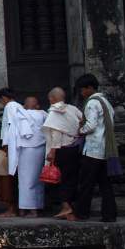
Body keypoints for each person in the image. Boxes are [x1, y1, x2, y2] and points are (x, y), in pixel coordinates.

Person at [70, 74, 118, 223]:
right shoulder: (106, 102)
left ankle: (81, 213)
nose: (81, 93)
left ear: (90, 88)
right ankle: (109, 215)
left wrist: (80, 130)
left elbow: (91, 125)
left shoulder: (92, 103)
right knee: (105, 185)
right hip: (106, 149)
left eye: (82, 90)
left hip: (93, 150)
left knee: (86, 183)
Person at [42, 87, 83, 220]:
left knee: (60, 179)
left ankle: (66, 206)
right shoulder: (72, 108)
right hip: (74, 148)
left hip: (61, 150)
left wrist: (52, 152)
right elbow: (82, 121)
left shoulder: (54, 113)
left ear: (52, 98)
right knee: (72, 178)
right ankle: (70, 212)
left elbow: (56, 133)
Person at [11, 96, 47, 217]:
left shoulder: (20, 114)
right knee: (37, 179)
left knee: (25, 180)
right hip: (40, 148)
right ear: (37, 105)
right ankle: (37, 206)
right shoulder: (43, 114)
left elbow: (11, 133)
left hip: (25, 149)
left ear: (25, 106)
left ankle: (28, 209)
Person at [0, 87, 20, 217]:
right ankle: (16, 207)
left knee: (7, 178)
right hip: (17, 145)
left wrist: (7, 148)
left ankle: (11, 208)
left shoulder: (9, 106)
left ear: (4, 98)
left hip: (10, 145)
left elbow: (11, 126)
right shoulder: (19, 106)